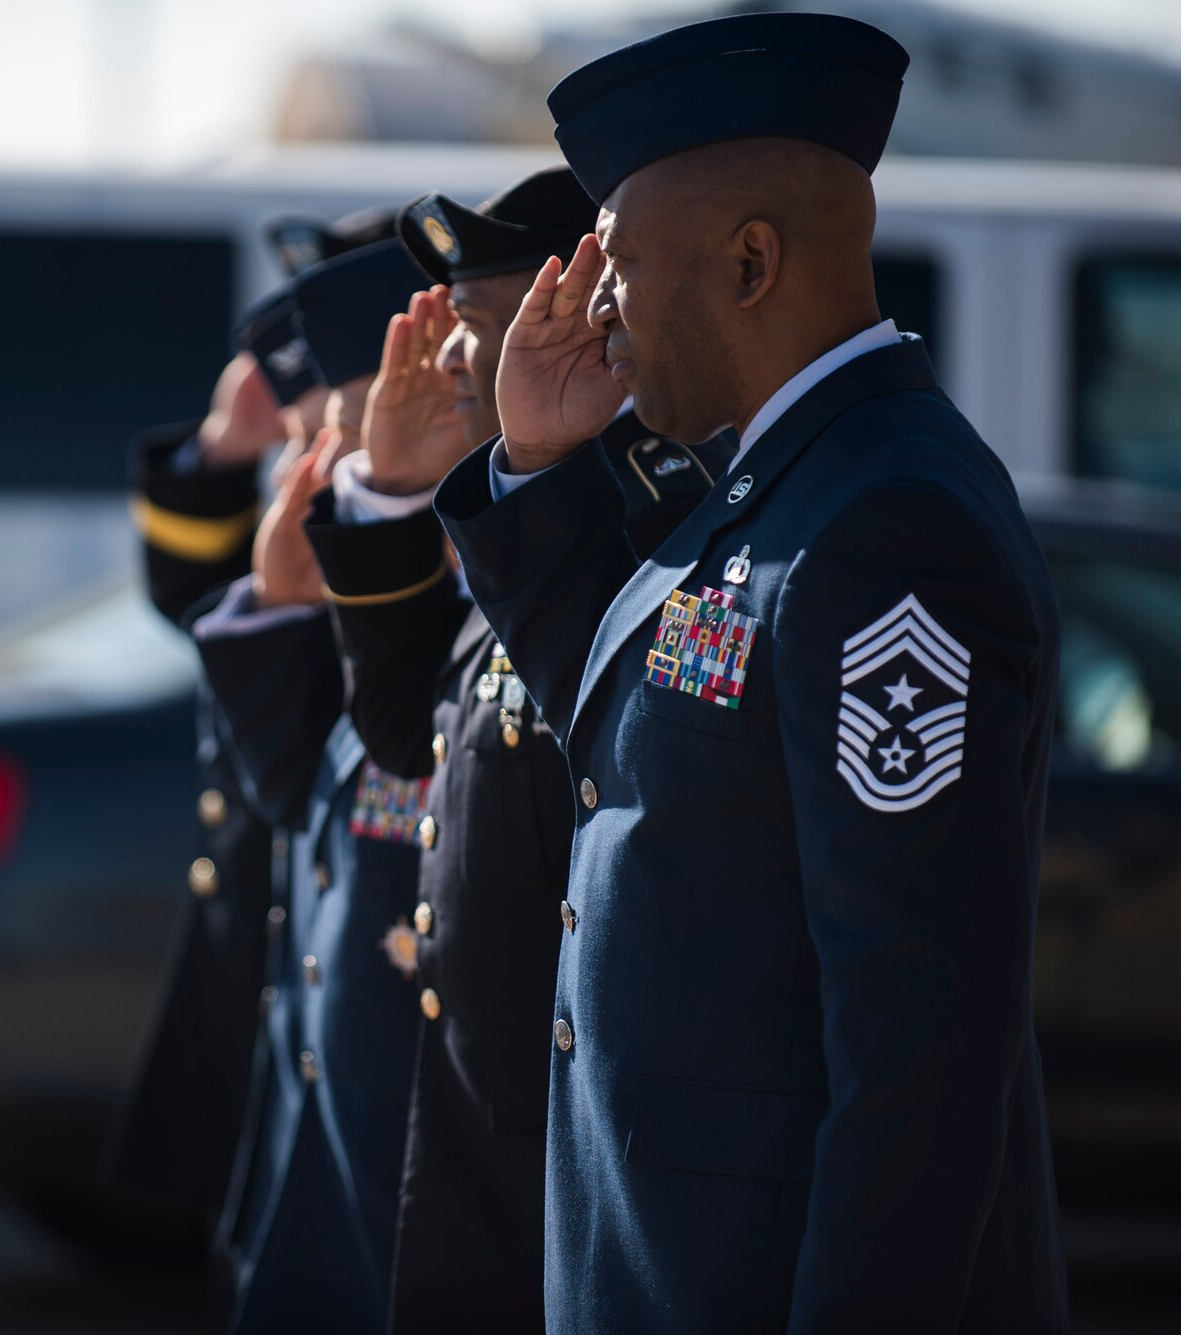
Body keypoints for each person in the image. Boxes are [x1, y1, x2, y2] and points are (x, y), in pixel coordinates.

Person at [433, 13, 1069, 1332]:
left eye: (619, 262)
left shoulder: (890, 520)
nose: (598, 305)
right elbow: (630, 745)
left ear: (752, 260)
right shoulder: (770, 488)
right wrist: (544, 468)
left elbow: (921, 1048)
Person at [297, 166, 729, 1333]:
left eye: (477, 328)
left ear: (573, 325)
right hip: (488, 1160)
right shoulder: (519, 534)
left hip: (577, 1176)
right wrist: (386, 490)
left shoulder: (636, 537)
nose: (446, 364)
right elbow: (406, 735)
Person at [103, 210, 391, 1260]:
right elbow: (194, 596)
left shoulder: (391, 500)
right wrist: (226, 448)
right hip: (271, 941)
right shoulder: (309, 481)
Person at [192, 237, 434, 1335]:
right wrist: (279, 602)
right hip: (323, 1163)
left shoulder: (445, 614)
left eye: (323, 443)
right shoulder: (355, 604)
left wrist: (288, 605)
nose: (299, 483)